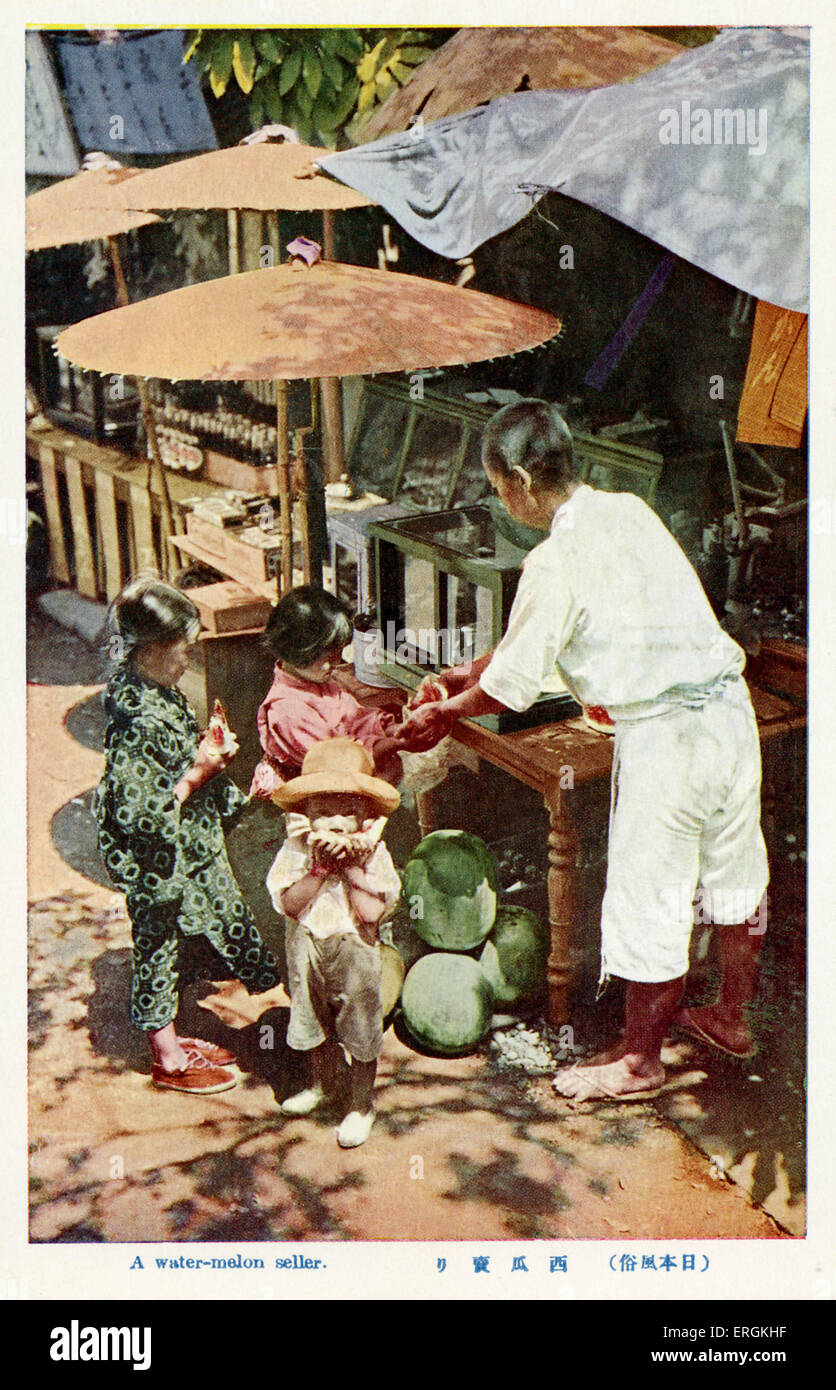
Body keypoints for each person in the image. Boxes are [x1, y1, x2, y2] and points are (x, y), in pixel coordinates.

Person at [394, 399, 769, 1103]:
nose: (502, 501)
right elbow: (535, 647)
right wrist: (464, 675)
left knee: (649, 900)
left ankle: (639, 1063)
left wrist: (446, 710)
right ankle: (729, 1017)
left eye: (498, 488)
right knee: (734, 877)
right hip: (727, 713)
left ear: (520, 482)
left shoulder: (553, 558)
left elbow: (510, 688)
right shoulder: (627, 510)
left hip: (667, 737)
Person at [95, 577, 280, 1095]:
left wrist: (209, 756)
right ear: (153, 647)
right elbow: (143, 811)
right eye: (184, 646)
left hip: (181, 843)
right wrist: (200, 771)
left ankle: (174, 1039)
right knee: (157, 943)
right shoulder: (139, 718)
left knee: (176, 938)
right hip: (155, 856)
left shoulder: (150, 688)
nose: (189, 657)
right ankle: (168, 1057)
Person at [266, 738, 401, 1147]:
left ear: (366, 816)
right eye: (323, 812)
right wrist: (321, 869)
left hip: (354, 950)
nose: (336, 821)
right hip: (307, 947)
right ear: (306, 814)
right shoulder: (296, 850)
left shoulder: (374, 854)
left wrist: (353, 871)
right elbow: (290, 904)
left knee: (359, 1028)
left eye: (348, 811)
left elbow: (373, 914)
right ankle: (325, 1085)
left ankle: (361, 1105)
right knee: (313, 1021)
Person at [249, 586, 402, 798]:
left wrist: (392, 727)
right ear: (294, 649)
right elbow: (337, 761)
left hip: (344, 776)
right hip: (317, 797)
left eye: (337, 655)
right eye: (325, 657)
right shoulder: (287, 710)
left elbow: (353, 717)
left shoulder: (319, 679)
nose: (334, 665)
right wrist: (395, 743)